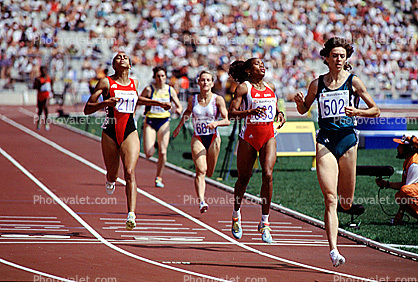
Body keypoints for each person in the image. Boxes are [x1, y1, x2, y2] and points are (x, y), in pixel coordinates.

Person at [294, 37, 380, 267]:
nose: (339, 59)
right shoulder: (317, 84)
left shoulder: (354, 82)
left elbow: (375, 110)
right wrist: (298, 103)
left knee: (344, 202)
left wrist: (358, 112)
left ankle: (342, 215)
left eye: (342, 56)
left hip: (348, 141)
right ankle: (333, 250)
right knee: (330, 199)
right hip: (325, 140)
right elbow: (304, 109)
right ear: (327, 58)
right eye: (335, 55)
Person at [83, 52, 171, 230]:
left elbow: (137, 99)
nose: (122, 58)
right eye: (118, 57)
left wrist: (158, 104)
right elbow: (87, 109)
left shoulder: (134, 83)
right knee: (113, 174)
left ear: (130, 65)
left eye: (125, 57)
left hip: (130, 130)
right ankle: (110, 179)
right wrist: (106, 103)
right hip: (110, 130)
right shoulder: (106, 82)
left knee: (130, 172)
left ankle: (131, 214)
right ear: (114, 65)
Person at [228, 58, 286, 243]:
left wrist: (280, 114)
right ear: (247, 70)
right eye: (257, 64)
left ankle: (265, 223)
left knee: (268, 175)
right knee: (244, 179)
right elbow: (231, 113)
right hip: (249, 137)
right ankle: (236, 215)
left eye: (263, 63)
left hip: (269, 134)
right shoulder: (244, 88)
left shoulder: (270, 87)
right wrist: (249, 113)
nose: (262, 66)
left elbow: (275, 108)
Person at [173, 71, 230, 213]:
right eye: (202, 80)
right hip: (198, 137)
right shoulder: (193, 99)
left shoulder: (218, 100)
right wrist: (179, 126)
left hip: (213, 138)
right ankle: (202, 202)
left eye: (208, 80)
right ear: (198, 82)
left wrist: (216, 123)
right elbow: (188, 112)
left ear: (212, 83)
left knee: (209, 172)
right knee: (201, 170)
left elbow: (227, 120)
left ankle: (205, 188)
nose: (205, 82)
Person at [140, 66, 183, 188]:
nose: (160, 78)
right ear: (154, 77)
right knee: (148, 153)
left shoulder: (170, 90)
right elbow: (138, 101)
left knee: (163, 152)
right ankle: (154, 142)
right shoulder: (149, 90)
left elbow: (179, 106)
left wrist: (178, 110)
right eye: (158, 76)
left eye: (163, 76)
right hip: (150, 121)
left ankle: (158, 177)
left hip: (164, 122)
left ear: (166, 77)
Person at [376, 135, 418, 225]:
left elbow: (406, 190)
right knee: (399, 195)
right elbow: (405, 184)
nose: (397, 148)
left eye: (400, 146)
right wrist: (387, 184)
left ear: (407, 148)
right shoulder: (409, 160)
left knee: (404, 191)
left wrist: (399, 214)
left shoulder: (414, 164)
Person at [33, 66, 53, 131]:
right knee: (40, 110)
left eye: (45, 71)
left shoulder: (49, 78)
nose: (44, 72)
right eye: (43, 71)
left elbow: (51, 86)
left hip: (46, 95)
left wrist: (52, 92)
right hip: (40, 95)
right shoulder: (38, 78)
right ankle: (39, 122)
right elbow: (34, 87)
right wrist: (39, 84)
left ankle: (46, 122)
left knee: (46, 108)